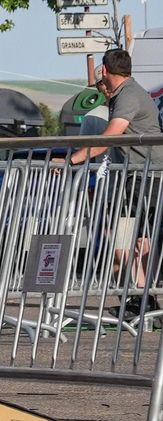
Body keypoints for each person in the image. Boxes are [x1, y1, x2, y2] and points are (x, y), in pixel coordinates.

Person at [61, 49, 162, 322]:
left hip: (143, 177)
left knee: (133, 239)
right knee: (138, 239)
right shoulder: (129, 92)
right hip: (141, 176)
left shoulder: (128, 95)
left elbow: (110, 137)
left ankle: (143, 300)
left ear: (104, 71)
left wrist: (72, 160)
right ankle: (143, 301)